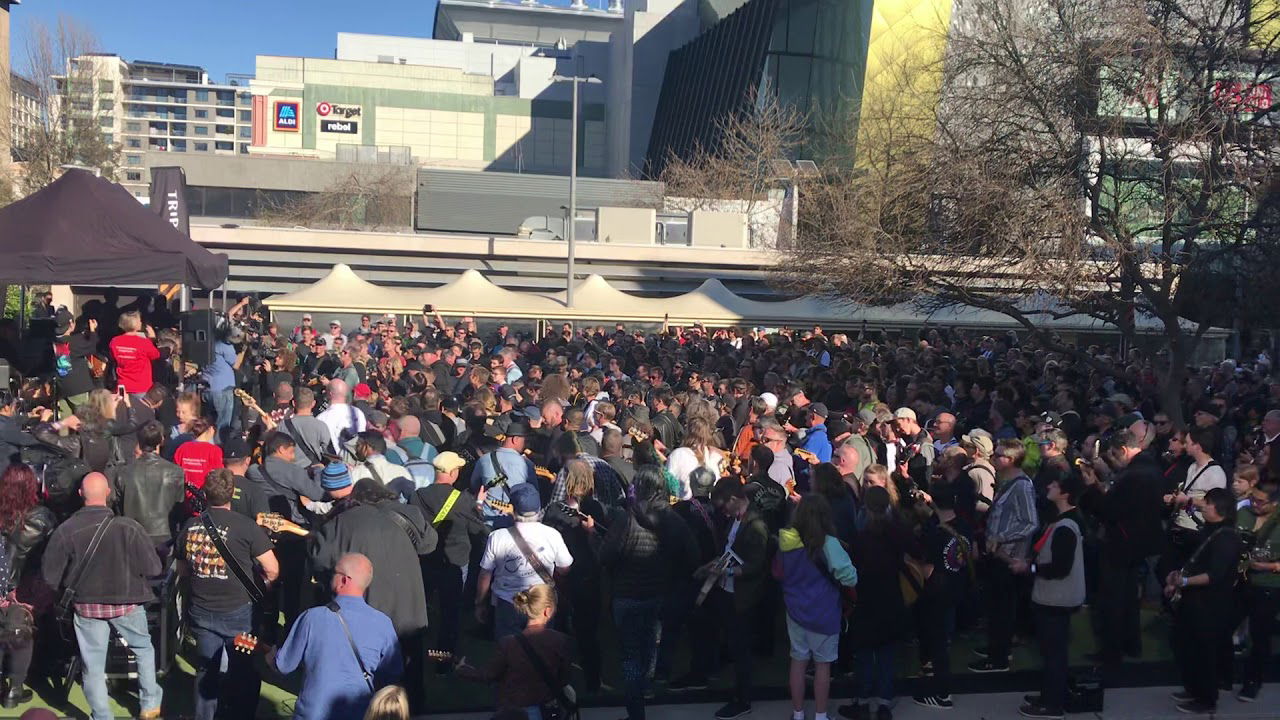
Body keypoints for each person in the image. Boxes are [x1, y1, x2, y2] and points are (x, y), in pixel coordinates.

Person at [42, 473, 163, 720]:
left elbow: (49, 576)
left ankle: (101, 715)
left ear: (80, 495)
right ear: (108, 492)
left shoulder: (66, 530)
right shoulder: (129, 526)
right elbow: (154, 569)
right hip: (127, 606)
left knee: (93, 667)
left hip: (87, 608)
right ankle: (150, 704)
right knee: (143, 649)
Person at [311, 478, 436, 710]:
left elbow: (319, 558)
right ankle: (414, 707)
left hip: (368, 602)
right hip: (409, 602)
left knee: (370, 662)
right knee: (410, 661)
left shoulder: (343, 521)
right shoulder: (409, 513)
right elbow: (429, 544)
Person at [597, 464, 698, 720]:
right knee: (649, 648)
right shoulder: (674, 519)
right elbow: (692, 555)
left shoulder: (626, 518)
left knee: (631, 654)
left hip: (628, 595)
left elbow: (606, 556)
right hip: (657, 595)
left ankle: (636, 710)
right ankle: (645, 690)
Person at [177, 468, 279, 720]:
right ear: (231, 494)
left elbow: (182, 570)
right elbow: (272, 569)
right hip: (239, 615)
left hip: (201, 612)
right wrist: (262, 586)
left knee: (206, 669)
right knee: (242, 668)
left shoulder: (191, 526)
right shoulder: (246, 527)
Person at [271, 553, 403, 720]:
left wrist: (269, 655)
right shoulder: (383, 624)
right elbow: (392, 673)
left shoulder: (312, 618)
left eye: (334, 573)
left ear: (344, 580)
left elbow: (284, 665)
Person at [1077, 425, 1166, 666]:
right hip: (1138, 542)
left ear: (1124, 450)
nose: (1113, 462)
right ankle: (1131, 644)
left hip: (1121, 543)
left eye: (1114, 455)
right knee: (1128, 598)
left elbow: (1110, 511)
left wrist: (1094, 488)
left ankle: (1111, 650)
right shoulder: (1152, 469)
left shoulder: (1133, 476)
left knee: (1113, 598)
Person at [775, 494, 858, 720]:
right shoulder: (829, 544)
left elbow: (778, 573)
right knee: (823, 666)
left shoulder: (785, 541)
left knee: (798, 661)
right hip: (825, 613)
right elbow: (849, 578)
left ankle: (798, 713)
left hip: (795, 611)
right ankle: (821, 715)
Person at [1013, 473, 1087, 720]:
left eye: (1055, 484)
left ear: (1065, 493)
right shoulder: (1062, 521)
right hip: (1052, 597)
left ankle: (1052, 704)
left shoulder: (1067, 526)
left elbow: (1059, 567)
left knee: (1054, 653)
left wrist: (1030, 568)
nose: (1050, 485)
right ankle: (1050, 695)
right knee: (1051, 651)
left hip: (1057, 598)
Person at [1165, 487, 1242, 714]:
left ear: (1220, 509)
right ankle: (1193, 688)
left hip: (1210, 604)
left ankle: (1207, 698)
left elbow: (1214, 575)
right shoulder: (1209, 532)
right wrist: (1178, 576)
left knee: (1204, 651)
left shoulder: (1226, 538)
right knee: (1188, 646)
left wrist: (1185, 582)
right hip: (1195, 602)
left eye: (1208, 503)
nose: (1204, 506)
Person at [410, 451, 489, 662]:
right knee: (450, 613)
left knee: (420, 606)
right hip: (454, 562)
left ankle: (414, 648)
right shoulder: (464, 500)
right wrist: (478, 506)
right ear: (453, 472)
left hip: (425, 559)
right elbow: (477, 530)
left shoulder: (417, 495)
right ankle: (443, 659)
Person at [969, 439, 1038, 674]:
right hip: (995, 554)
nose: (993, 459)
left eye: (998, 456)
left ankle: (999, 658)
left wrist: (1002, 537)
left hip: (1008, 557)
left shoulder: (1022, 486)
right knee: (996, 606)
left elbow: (1030, 522)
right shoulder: (1006, 482)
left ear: (1010, 460)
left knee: (1003, 608)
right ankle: (996, 647)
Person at [455, 584, 574, 720]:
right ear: (547, 611)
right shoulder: (561, 641)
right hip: (546, 711)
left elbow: (488, 675)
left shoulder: (508, 644)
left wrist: (462, 669)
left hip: (515, 713)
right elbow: (564, 679)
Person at [706, 478, 769, 720]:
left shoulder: (756, 525)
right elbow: (728, 552)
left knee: (742, 650)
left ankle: (743, 699)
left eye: (724, 507)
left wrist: (728, 571)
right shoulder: (735, 520)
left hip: (744, 596)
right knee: (733, 645)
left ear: (734, 500)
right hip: (728, 591)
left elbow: (756, 565)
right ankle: (738, 693)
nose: (722, 512)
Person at [477, 483, 573, 640]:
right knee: (541, 652)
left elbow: (485, 575)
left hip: (507, 603)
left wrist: (480, 602)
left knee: (508, 654)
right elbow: (565, 568)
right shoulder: (552, 535)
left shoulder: (497, 537)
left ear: (512, 509)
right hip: (541, 604)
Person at [0, 464, 55, 708]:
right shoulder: (43, 517)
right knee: (20, 633)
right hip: (25, 589)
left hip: (4, 585)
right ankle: (15, 687)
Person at [1233, 480, 1280, 702]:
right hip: (1240, 580)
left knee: (1259, 635)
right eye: (1253, 498)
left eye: (1260, 501)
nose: (1255, 504)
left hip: (1268, 584)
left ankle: (1253, 680)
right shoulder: (1244, 513)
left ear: (1275, 502)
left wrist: (1270, 566)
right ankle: (1222, 673)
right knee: (1224, 625)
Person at [111, 420, 184, 550]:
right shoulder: (175, 472)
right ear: (161, 440)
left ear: (138, 441)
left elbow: (116, 505)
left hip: (134, 534)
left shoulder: (123, 472)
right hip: (165, 535)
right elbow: (179, 507)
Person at [665, 416, 726, 500]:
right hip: (707, 507)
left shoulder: (677, 454)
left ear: (687, 432)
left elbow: (668, 485)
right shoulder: (716, 457)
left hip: (682, 506)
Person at [108, 311, 160, 398]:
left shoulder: (114, 341)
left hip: (123, 385)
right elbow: (156, 355)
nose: (141, 322)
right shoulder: (144, 342)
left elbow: (113, 357)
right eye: (139, 320)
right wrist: (152, 339)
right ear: (135, 324)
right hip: (141, 387)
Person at [318, 379, 367, 459]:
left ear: (330, 394)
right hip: (357, 461)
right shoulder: (358, 413)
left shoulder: (322, 418)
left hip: (334, 466)